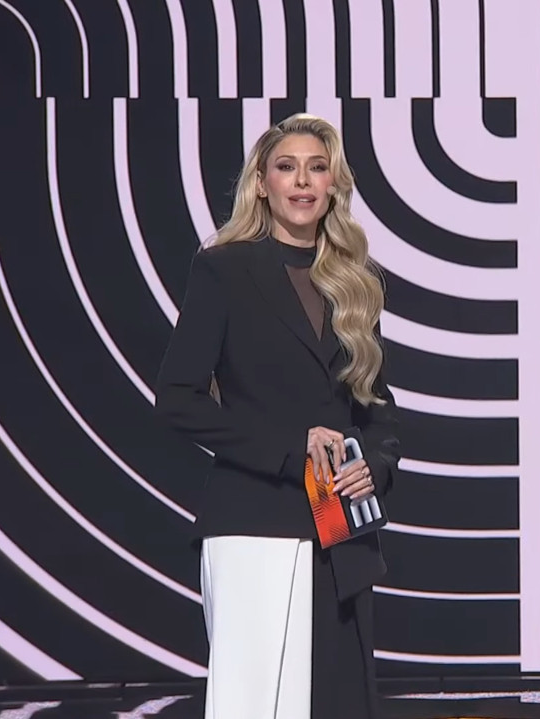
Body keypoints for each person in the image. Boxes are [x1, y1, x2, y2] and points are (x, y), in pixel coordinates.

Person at [156, 113, 400, 719]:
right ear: (262, 183)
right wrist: (293, 450)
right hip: (255, 524)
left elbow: (376, 409)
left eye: (317, 168)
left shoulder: (355, 283)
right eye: (287, 167)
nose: (302, 181)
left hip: (339, 529)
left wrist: (373, 466)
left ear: (333, 184)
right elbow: (179, 397)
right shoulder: (223, 269)